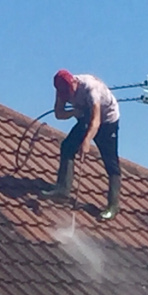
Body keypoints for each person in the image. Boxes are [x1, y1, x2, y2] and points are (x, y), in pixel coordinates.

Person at [42, 69, 122, 220]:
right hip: (86, 117)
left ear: (74, 82)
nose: (68, 96)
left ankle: (113, 205)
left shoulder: (91, 89)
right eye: (65, 94)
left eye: (69, 92)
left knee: (110, 162)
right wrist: (73, 112)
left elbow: (96, 121)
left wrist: (87, 141)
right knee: (67, 146)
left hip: (107, 120)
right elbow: (58, 114)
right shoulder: (62, 91)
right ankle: (63, 190)